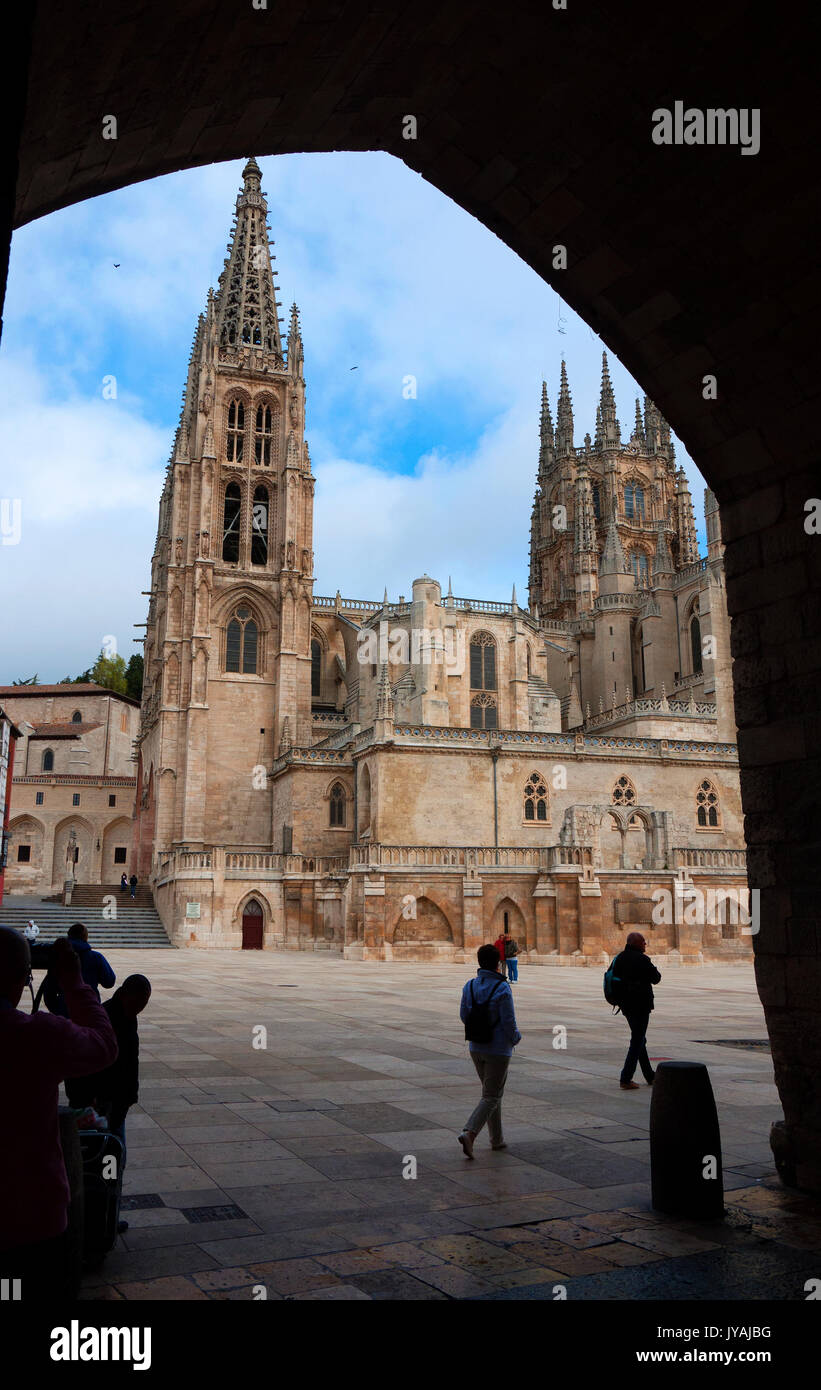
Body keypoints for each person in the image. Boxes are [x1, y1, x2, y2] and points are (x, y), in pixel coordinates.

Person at [0, 928, 118, 1297]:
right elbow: (104, 1045)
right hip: (30, 1218)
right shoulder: (35, 1036)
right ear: (23, 978)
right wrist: (73, 982)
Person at [67, 975, 151, 1232]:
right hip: (100, 1107)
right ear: (127, 994)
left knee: (114, 1159)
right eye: (141, 1001)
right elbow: (81, 1062)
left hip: (116, 1106)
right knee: (102, 1161)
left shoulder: (127, 1015)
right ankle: (97, 1218)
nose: (143, 1007)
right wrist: (88, 1099)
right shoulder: (105, 1019)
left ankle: (107, 1216)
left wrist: (128, 1096)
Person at [457, 943, 521, 1158]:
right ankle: (470, 1132)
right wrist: (515, 1039)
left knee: (492, 1093)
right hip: (498, 1049)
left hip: (476, 1047)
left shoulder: (470, 985)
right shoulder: (502, 987)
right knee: (491, 1096)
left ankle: (497, 1140)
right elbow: (508, 1020)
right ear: (497, 963)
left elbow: (464, 1015)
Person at [613, 931, 662, 1090]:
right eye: (643, 942)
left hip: (626, 1005)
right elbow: (656, 978)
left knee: (640, 1038)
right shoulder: (642, 959)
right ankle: (626, 1078)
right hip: (640, 1005)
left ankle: (650, 1075)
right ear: (636, 943)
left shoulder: (619, 958)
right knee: (637, 1040)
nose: (645, 944)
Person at [43, 923, 115, 1018]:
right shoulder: (96, 957)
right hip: (90, 1008)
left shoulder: (58, 957)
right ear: (85, 937)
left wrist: (58, 1010)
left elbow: (49, 990)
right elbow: (109, 982)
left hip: (65, 1007)